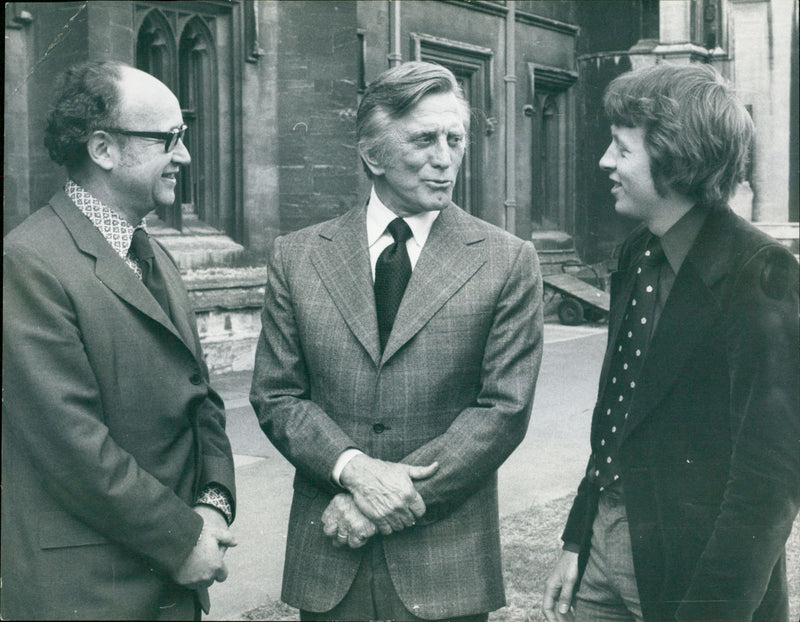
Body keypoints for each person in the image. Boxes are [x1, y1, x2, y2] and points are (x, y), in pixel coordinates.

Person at [250, 60, 543, 621]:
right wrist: (354, 471)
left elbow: (502, 410)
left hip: (445, 566)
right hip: (331, 562)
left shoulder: (507, 261)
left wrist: (382, 504)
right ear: (373, 154)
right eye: (424, 139)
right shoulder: (298, 255)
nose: (444, 157)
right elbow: (277, 395)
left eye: (454, 139)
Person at [542, 63, 799, 622]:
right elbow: (617, 414)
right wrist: (576, 540)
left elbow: (770, 479)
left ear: (676, 158)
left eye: (620, 147)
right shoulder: (639, 253)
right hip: (605, 547)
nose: (604, 162)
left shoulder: (760, 270)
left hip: (695, 573)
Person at [2, 61, 237, 620]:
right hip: (89, 592)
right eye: (168, 139)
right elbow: (72, 445)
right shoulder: (28, 262)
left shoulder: (152, 254)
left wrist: (214, 503)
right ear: (103, 148)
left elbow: (201, 400)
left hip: (172, 583)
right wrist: (184, 540)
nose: (183, 156)